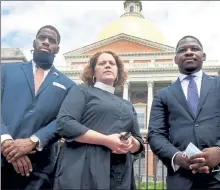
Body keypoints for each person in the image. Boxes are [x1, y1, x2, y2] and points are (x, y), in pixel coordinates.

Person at [53, 50, 144, 189]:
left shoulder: (128, 105)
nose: (108, 65)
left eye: (112, 63)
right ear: (93, 72)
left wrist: (131, 143)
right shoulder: (82, 92)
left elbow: (138, 141)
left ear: (118, 72)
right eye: (102, 63)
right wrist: (107, 140)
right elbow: (64, 123)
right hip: (83, 168)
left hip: (120, 173)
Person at [1, 25, 75, 189]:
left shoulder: (68, 85)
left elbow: (63, 120)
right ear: (35, 42)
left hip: (38, 170)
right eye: (42, 37)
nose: (46, 42)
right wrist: (6, 143)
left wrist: (33, 141)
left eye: (52, 40)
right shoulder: (6, 70)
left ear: (57, 49)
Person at [148, 35, 220, 189]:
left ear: (204, 56)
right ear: (175, 59)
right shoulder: (163, 95)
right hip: (181, 179)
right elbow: (155, 134)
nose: (189, 52)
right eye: (183, 50)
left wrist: (219, 151)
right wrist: (177, 157)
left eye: (195, 49)